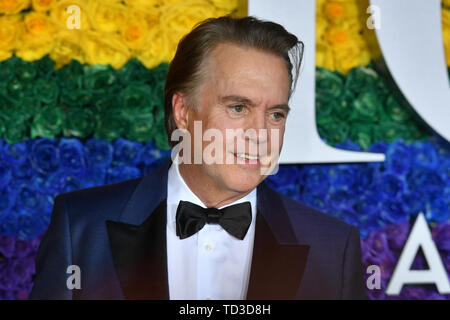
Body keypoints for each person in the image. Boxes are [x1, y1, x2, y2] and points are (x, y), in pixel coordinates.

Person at [30, 16, 367, 300]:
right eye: (238, 108)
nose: (261, 133)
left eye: (276, 114)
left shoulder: (333, 249)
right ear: (183, 111)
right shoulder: (81, 229)